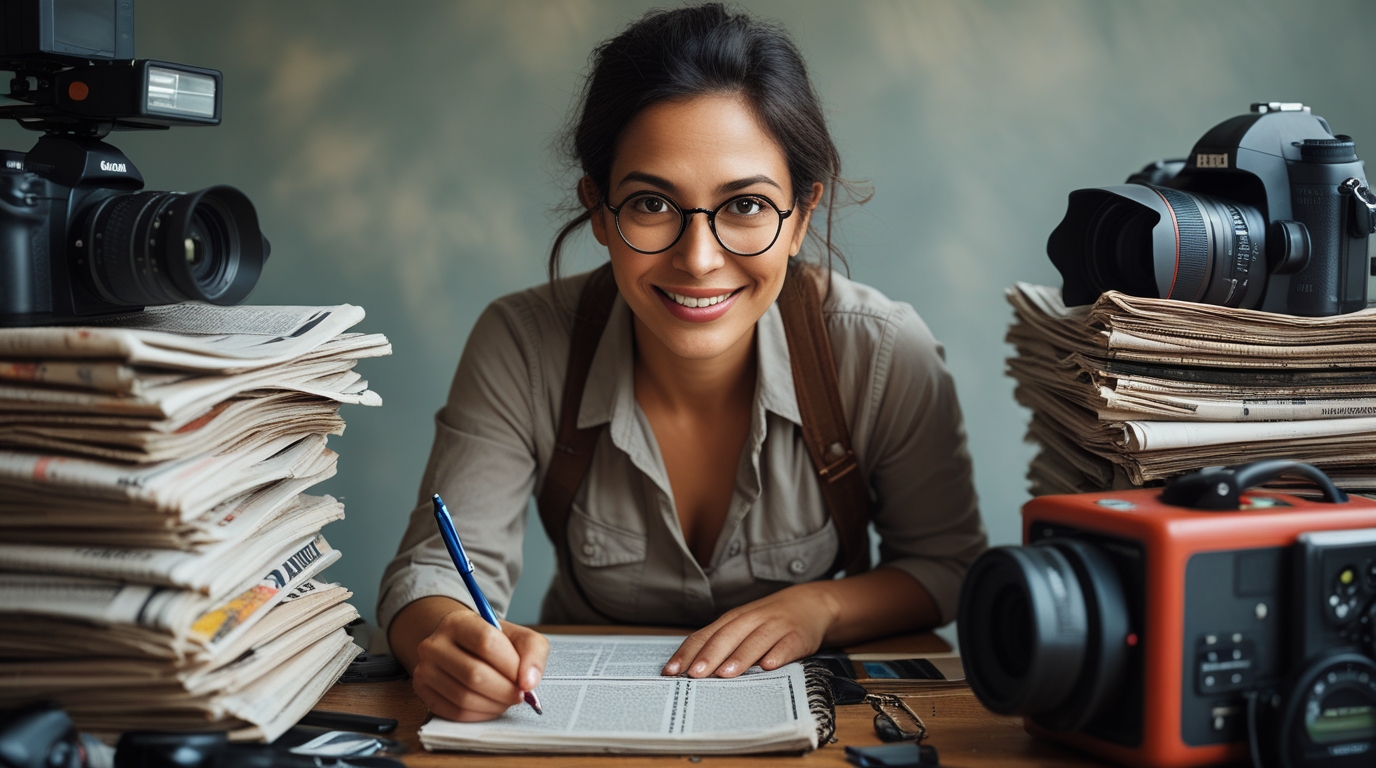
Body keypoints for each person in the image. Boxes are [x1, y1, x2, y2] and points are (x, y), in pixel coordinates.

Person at [378, 3, 986, 723]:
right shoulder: (521, 342)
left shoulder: (884, 350)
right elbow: (434, 572)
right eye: (651, 204)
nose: (699, 261)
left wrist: (819, 606)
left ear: (800, 216)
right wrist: (443, 639)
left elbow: (949, 569)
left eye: (748, 206)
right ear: (600, 214)